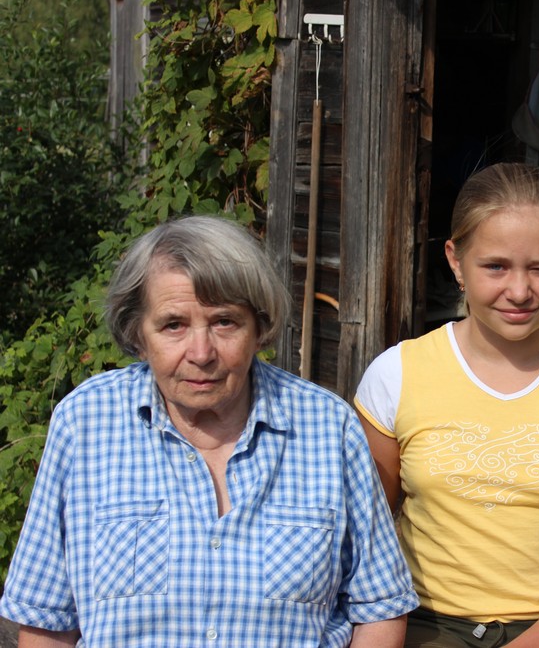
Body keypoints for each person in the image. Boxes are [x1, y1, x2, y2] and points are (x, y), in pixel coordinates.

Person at [0, 215, 418, 647]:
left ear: (259, 329)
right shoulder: (85, 424)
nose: (201, 353)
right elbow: (46, 620)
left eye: (224, 322)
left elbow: (381, 608)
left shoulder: (328, 429)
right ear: (137, 334)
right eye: (173, 325)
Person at [354, 162, 539, 647]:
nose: (519, 291)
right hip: (427, 624)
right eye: (495, 266)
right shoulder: (397, 374)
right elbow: (365, 529)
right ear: (455, 261)